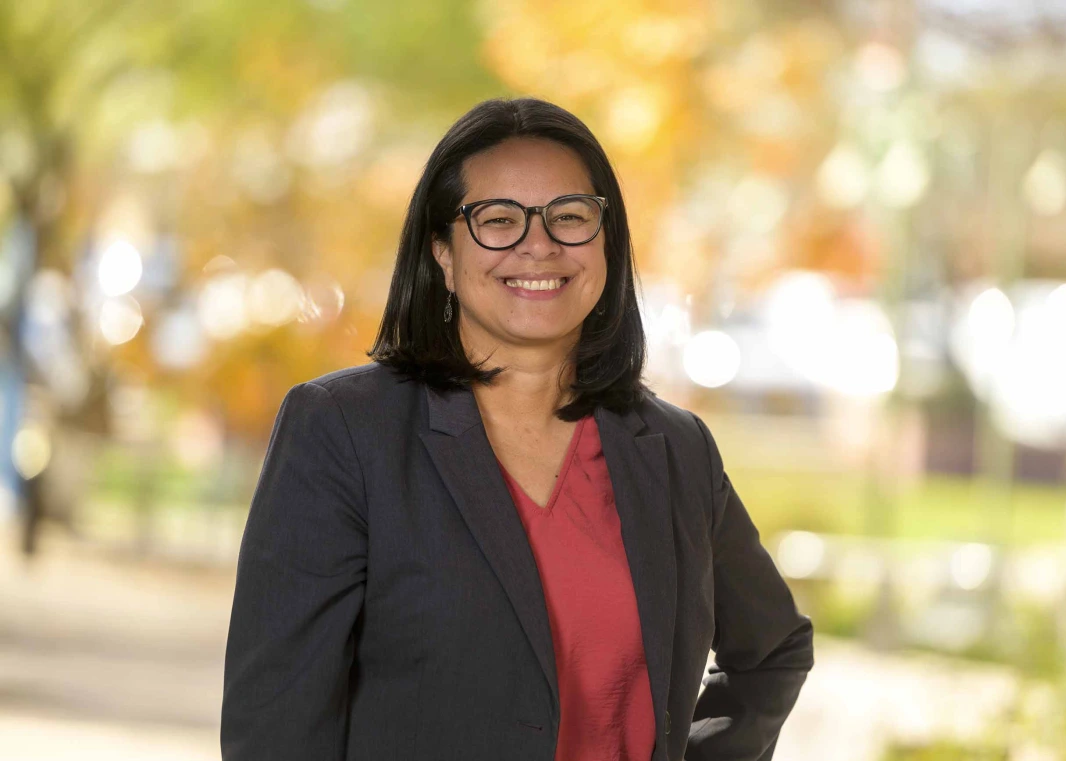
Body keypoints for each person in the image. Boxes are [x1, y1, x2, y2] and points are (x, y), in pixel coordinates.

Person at [220, 96, 813, 761]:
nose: (540, 244)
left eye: (570, 217)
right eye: (497, 219)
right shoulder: (342, 432)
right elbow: (274, 728)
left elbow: (772, 650)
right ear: (441, 251)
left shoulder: (676, 451)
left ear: (606, 242)